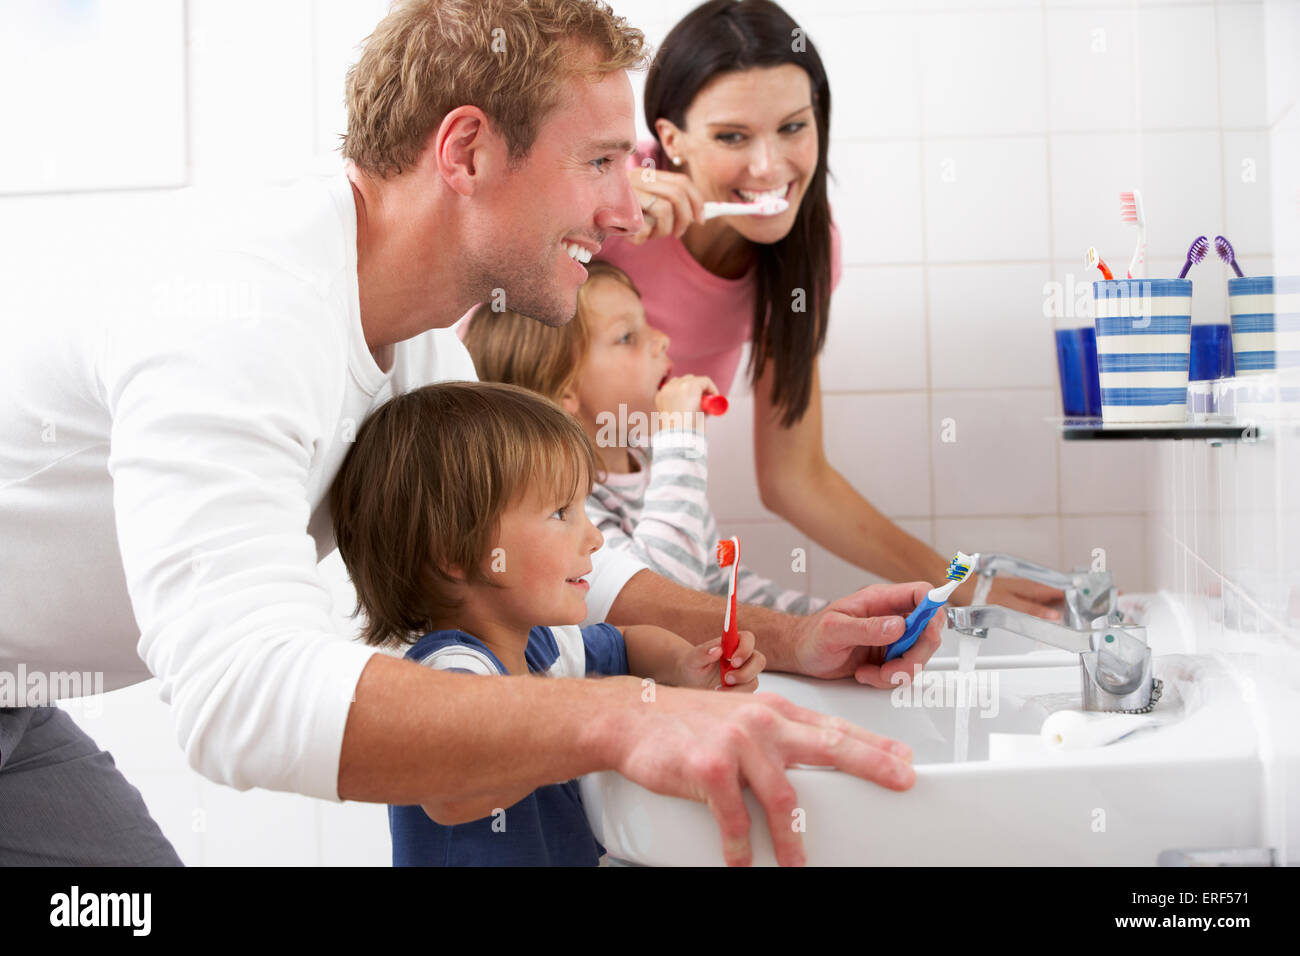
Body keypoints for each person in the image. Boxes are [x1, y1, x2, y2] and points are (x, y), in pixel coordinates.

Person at [0, 0, 933, 868]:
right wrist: (624, 718)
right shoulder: (242, 310)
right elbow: (240, 690)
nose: (625, 213)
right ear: (469, 152)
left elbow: (565, 557)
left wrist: (795, 634)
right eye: (600, 162)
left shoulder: (414, 340)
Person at [601, 0, 1063, 620]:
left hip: (638, 522)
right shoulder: (605, 189)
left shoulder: (806, 254)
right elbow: (485, 355)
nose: (770, 167)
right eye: (733, 136)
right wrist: (586, 222)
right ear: (670, 139)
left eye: (793, 126)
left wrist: (959, 582)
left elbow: (796, 478)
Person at [329, 381, 765, 866]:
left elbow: (626, 644)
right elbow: (451, 789)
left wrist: (685, 665)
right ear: (456, 551)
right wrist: (610, 733)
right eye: (562, 513)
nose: (595, 537)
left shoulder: (542, 648)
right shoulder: (450, 671)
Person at [465, 259, 827, 615]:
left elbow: (719, 584)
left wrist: (824, 619)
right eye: (627, 337)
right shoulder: (565, 503)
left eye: (647, 323)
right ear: (566, 392)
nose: (661, 340)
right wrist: (681, 441)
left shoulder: (653, 462)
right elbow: (665, 600)